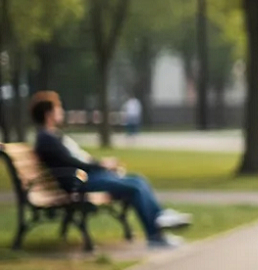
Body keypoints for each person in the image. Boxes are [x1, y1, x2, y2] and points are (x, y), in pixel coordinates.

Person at [30, 91, 191, 249]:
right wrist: (101, 165)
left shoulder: (52, 136)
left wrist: (101, 165)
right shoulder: (46, 139)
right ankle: (156, 233)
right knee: (134, 188)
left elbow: (76, 161)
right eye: (58, 108)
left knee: (138, 180)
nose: (61, 112)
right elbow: (73, 162)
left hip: (85, 177)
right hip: (78, 183)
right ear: (48, 114)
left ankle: (160, 218)